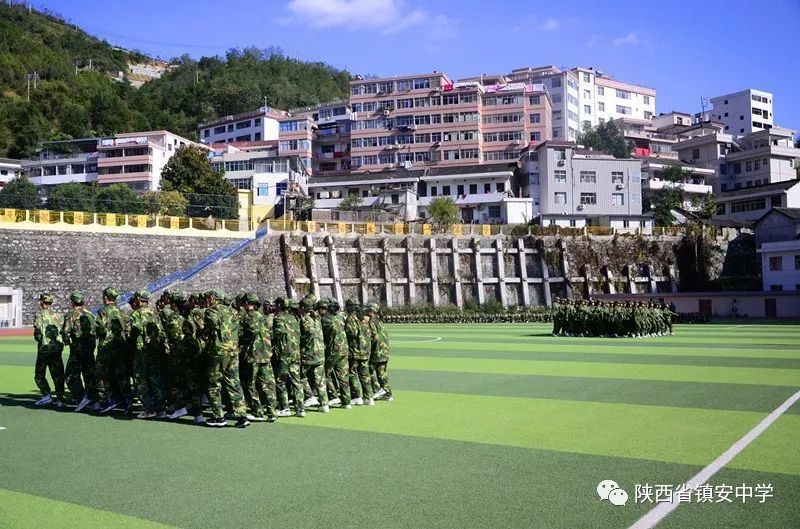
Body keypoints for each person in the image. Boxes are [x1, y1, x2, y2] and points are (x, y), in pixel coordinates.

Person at [204, 290, 249, 428]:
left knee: (214, 383)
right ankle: (242, 416)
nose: (207, 300)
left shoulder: (211, 311)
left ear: (213, 298)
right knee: (234, 382)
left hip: (218, 351)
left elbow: (208, 328)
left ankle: (218, 417)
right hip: (233, 351)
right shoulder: (234, 312)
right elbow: (240, 331)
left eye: (208, 298)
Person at [239, 293, 278, 422]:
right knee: (268, 384)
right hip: (266, 354)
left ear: (247, 303)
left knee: (251, 384)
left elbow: (243, 335)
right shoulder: (264, 317)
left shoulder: (248, 317)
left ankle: (257, 412)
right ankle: (272, 412)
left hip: (254, 355)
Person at [128, 290, 166, 419]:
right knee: (156, 379)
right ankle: (161, 409)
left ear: (138, 299)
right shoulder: (154, 313)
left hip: (141, 351)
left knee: (140, 380)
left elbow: (134, 331)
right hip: (155, 350)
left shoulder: (136, 314)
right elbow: (161, 332)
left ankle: (149, 408)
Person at [61, 291, 97, 412]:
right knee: (89, 375)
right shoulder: (90, 314)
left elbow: (65, 332)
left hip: (77, 350)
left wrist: (69, 342)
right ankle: (94, 400)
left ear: (73, 302)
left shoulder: (71, 315)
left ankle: (81, 397)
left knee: (70, 375)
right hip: (90, 350)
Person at [94, 287, 127, 414]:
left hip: (106, 347)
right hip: (120, 346)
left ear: (106, 298)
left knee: (101, 375)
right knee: (120, 374)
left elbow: (99, 329)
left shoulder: (103, 311)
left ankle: (106, 400)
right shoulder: (121, 311)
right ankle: (125, 400)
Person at [32, 293, 65, 408]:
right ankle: (60, 399)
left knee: (39, 375)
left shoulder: (39, 315)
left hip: (44, 349)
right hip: (56, 349)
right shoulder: (59, 316)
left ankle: (46, 395)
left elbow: (38, 334)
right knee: (58, 375)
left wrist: (40, 339)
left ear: (41, 302)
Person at [298, 296, 330, 413]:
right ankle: (324, 403)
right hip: (320, 354)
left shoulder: (305, 320)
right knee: (320, 380)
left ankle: (310, 396)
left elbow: (304, 335)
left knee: (301, 376)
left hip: (309, 354)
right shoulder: (318, 319)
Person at [319, 298, 351, 409]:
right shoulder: (341, 317)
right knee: (343, 376)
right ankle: (346, 401)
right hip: (344, 349)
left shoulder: (325, 319)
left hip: (333, 350)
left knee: (326, 374)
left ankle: (333, 395)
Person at [345, 300, 374, 406]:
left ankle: (357, 396)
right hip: (365, 350)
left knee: (352, 373)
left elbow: (351, 333)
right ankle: (369, 397)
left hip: (355, 350)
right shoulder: (363, 317)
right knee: (365, 375)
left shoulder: (351, 318)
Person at [367, 303, 393, 401]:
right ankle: (387, 393)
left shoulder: (372, 322)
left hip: (378, 352)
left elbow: (374, 337)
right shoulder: (380, 322)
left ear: (371, 312)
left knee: (368, 371)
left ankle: (378, 389)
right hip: (384, 351)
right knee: (382, 373)